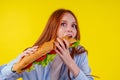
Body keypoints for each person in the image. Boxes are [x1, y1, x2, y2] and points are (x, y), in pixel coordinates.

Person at [0, 9, 94, 80]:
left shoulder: (80, 53)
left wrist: (70, 62)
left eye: (73, 25)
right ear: (52, 28)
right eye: (63, 24)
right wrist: (16, 66)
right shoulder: (34, 53)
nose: (70, 29)